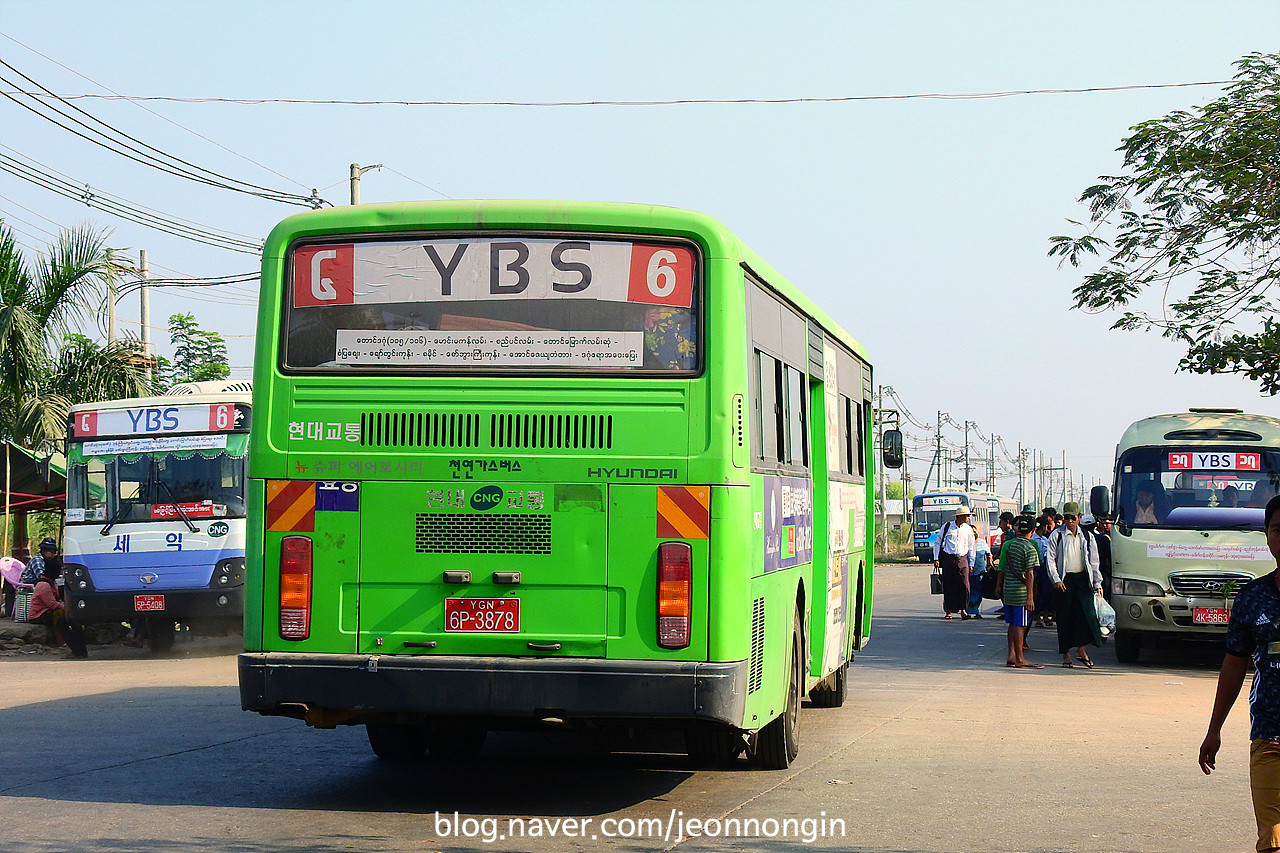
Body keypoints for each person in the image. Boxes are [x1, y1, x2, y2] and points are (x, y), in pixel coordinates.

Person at [1199, 494, 1280, 853]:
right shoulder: (1253, 596)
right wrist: (1213, 730)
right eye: (1278, 529)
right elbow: (1234, 664)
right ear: (1266, 535)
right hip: (1269, 736)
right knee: (1272, 840)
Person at [1045, 501, 1105, 668]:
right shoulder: (1056, 535)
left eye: (1073, 518)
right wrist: (1056, 579)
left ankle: (1081, 649)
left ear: (1079, 518)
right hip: (1064, 581)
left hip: (1082, 580)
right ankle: (1066, 654)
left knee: (1085, 616)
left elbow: (1094, 562)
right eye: (1066, 518)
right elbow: (1050, 560)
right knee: (1064, 618)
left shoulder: (1087, 536)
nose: (1070, 521)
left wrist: (1097, 582)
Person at [1001, 515, 1043, 668]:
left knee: (1012, 624)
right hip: (1021, 593)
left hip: (1009, 591)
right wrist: (1030, 597)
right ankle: (1020, 658)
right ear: (1033, 530)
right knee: (1020, 625)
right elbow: (1030, 573)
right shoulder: (1030, 548)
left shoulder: (1010, 545)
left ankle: (1011, 654)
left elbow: (1004, 567)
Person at [28, 560, 88, 658]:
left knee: (73, 620)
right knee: (62, 618)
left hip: (49, 610)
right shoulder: (44, 586)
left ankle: (80, 649)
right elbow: (53, 604)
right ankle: (62, 642)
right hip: (38, 614)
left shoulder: (52, 583)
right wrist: (68, 608)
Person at [932, 505, 976, 620]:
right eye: (967, 516)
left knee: (964, 585)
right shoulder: (947, 527)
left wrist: (971, 563)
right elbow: (937, 543)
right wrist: (936, 558)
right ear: (960, 516)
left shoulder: (968, 529)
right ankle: (949, 610)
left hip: (963, 559)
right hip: (949, 559)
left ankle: (963, 610)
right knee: (949, 585)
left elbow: (972, 547)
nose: (968, 518)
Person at [966, 529, 991, 619]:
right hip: (967, 572)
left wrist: (989, 565)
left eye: (974, 531)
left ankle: (976, 611)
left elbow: (988, 555)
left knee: (978, 592)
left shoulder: (982, 543)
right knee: (968, 592)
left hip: (980, 571)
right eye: (971, 531)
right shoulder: (965, 543)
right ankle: (967, 611)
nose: (973, 533)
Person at [1094, 513, 1114, 600]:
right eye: (1103, 524)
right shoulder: (1100, 537)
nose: (1105, 526)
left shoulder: (1117, 536)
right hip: (1103, 568)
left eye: (1107, 523)